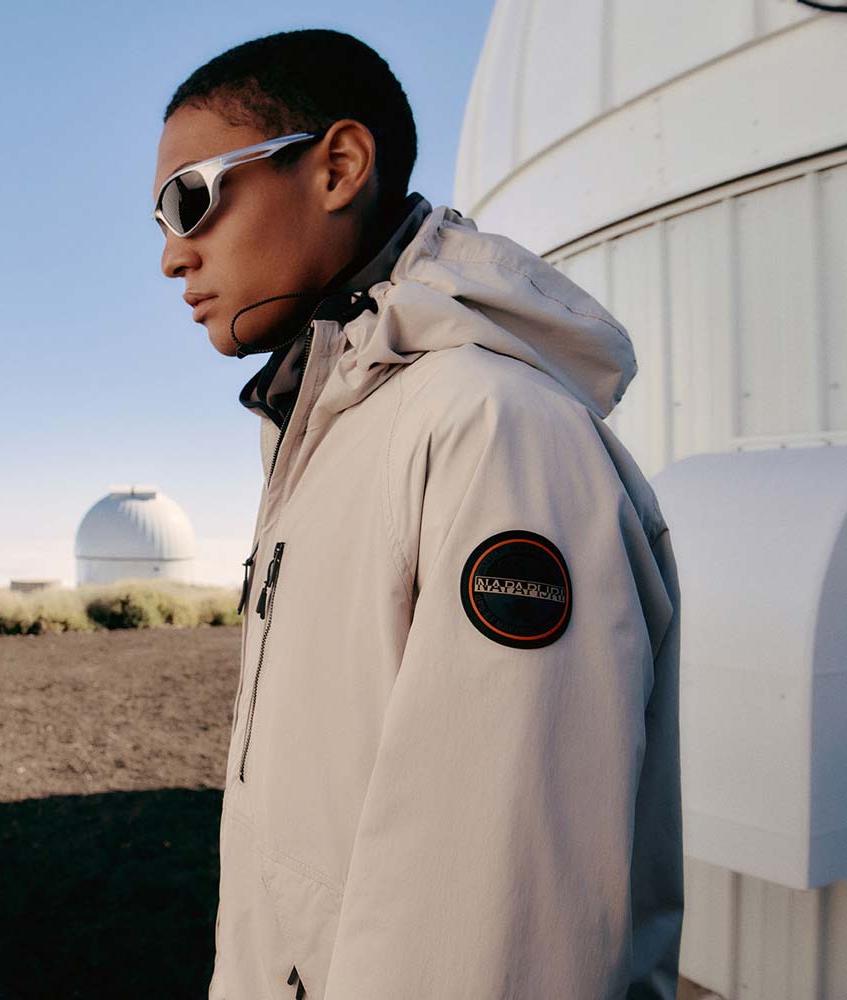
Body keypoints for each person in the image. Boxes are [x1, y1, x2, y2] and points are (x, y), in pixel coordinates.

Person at [152, 30, 682, 999]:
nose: (171, 254)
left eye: (189, 198)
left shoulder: (496, 435)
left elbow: (495, 936)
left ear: (338, 167)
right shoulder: (322, 440)